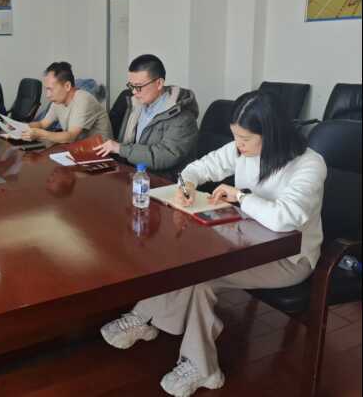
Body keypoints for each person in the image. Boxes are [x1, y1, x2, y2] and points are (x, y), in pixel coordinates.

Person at [100, 91, 326, 397]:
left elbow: (286, 218)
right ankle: (145, 319)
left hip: (289, 257)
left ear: (271, 133)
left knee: (203, 278)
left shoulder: (309, 165)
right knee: (185, 256)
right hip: (246, 240)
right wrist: (187, 187)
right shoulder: (242, 148)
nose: (238, 145)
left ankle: (202, 367)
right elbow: (197, 168)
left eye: (245, 139)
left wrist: (241, 196)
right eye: (235, 137)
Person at [95, 54, 199, 173]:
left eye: (139, 86)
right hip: (136, 173)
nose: (134, 92)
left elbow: (164, 156)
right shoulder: (137, 105)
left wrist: (120, 149)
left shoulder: (183, 117)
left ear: (159, 83)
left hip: (166, 180)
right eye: (131, 86)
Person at [22, 62, 112, 143]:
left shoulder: (83, 99)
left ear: (67, 86)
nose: (47, 95)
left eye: (50, 89)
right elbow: (42, 124)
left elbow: (70, 137)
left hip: (101, 151)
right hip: (79, 148)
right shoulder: (58, 102)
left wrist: (40, 134)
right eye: (47, 89)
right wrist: (21, 128)